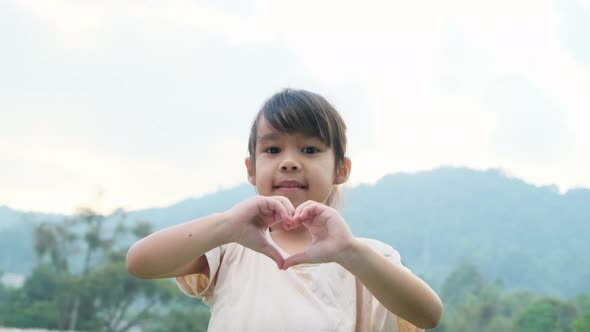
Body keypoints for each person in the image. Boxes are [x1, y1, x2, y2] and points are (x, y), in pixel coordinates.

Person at [126, 88, 442, 331]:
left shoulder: (364, 257)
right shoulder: (232, 247)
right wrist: (226, 226)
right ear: (251, 169)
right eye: (273, 149)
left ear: (341, 170)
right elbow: (141, 262)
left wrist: (349, 251)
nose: (289, 161)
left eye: (310, 149)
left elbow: (428, 314)